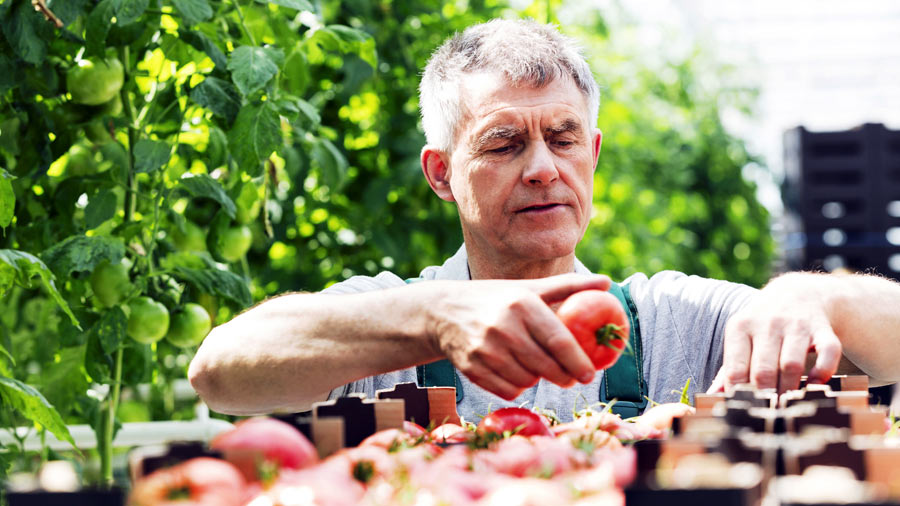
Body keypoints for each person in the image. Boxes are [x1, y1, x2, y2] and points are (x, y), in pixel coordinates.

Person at [188, 19, 900, 421]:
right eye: (503, 143)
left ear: (590, 156)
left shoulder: (674, 321)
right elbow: (219, 371)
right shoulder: (385, 319)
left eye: (562, 140)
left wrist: (813, 296)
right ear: (441, 174)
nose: (541, 167)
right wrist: (434, 317)